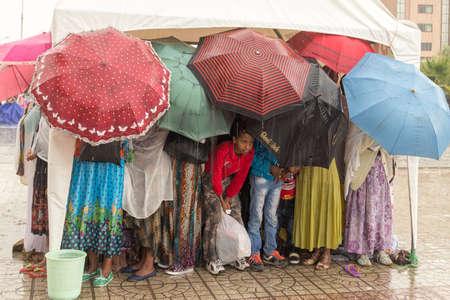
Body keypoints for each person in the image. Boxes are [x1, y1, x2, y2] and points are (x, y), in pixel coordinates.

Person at [61, 139, 128, 287]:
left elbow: (127, 143)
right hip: (85, 158)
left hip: (112, 161)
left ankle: (106, 267)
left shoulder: (122, 116)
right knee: (86, 208)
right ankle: (92, 265)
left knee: (108, 210)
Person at [120, 127, 173, 281]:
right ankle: (143, 259)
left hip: (156, 166)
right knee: (140, 219)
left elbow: (153, 141)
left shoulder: (161, 113)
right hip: (142, 166)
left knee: (151, 217)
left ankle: (149, 264)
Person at [202, 125, 254, 275]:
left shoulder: (249, 154)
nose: (247, 147)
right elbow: (215, 174)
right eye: (244, 142)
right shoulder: (223, 150)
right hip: (211, 181)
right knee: (215, 215)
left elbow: (240, 178)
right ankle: (211, 258)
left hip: (227, 182)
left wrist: (229, 197)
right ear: (234, 140)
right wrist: (221, 200)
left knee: (236, 211)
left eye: (250, 143)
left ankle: (238, 254)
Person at [343, 123, 394, 266]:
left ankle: (380, 249)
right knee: (362, 210)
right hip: (363, 173)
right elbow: (353, 144)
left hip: (380, 172)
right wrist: (374, 136)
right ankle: (361, 251)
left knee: (379, 211)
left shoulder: (388, 121)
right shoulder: (359, 120)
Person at [292, 158, 344, 270]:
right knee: (313, 208)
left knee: (327, 209)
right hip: (307, 169)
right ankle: (317, 250)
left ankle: (326, 252)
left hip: (326, 169)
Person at [247, 140, 288, 272]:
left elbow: (288, 152)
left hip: (277, 178)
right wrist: (270, 167)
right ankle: (254, 252)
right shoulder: (260, 130)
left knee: (272, 216)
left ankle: (269, 251)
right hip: (260, 175)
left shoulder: (284, 131)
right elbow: (250, 155)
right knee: (256, 215)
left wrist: (285, 168)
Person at [25, 115, 50, 266]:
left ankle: (51, 254)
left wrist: (35, 153)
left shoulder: (56, 114)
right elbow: (41, 138)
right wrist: (33, 151)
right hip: (43, 167)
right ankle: (48, 253)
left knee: (51, 212)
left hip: (51, 168)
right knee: (47, 214)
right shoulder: (46, 113)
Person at [277, 166, 300, 265]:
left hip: (292, 199)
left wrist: (297, 169)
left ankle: (292, 249)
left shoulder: (296, 160)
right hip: (278, 198)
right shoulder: (279, 159)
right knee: (275, 225)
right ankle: (275, 249)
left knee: (291, 227)